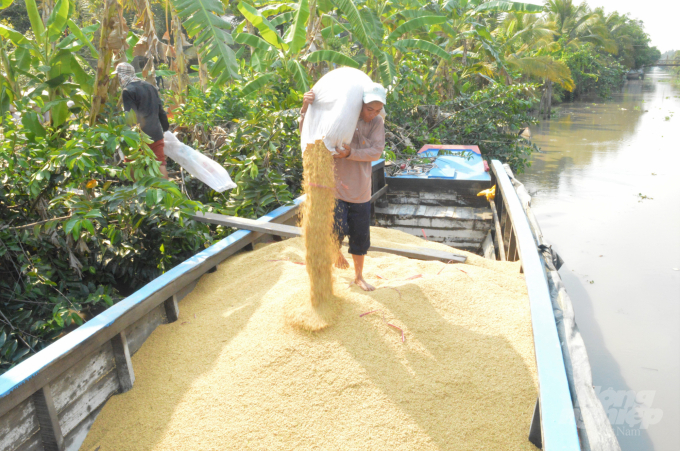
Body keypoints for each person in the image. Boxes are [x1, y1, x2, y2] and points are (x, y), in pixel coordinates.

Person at [299, 82, 386, 291]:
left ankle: (358, 276)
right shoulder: (340, 117)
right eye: (368, 109)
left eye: (377, 110)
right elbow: (308, 133)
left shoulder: (376, 124)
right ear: (359, 104)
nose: (372, 114)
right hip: (334, 188)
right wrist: (304, 108)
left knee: (360, 237)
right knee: (333, 232)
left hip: (360, 191)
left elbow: (376, 151)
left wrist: (350, 153)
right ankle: (327, 275)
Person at [114, 62, 170, 178]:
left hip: (140, 135)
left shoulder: (128, 91)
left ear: (122, 76)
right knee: (160, 162)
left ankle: (137, 190)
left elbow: (131, 116)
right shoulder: (150, 87)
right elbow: (161, 110)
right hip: (156, 133)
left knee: (132, 163)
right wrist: (165, 128)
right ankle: (166, 190)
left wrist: (130, 135)